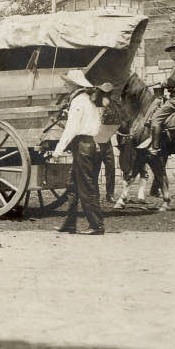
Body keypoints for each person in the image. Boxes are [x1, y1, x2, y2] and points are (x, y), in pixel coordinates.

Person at [52, 71, 108, 235]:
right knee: (73, 185)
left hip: (82, 146)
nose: (65, 85)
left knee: (86, 186)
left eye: (67, 83)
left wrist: (58, 150)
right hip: (87, 144)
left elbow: (72, 129)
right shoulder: (87, 101)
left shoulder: (78, 102)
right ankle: (70, 224)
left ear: (74, 85)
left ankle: (97, 225)